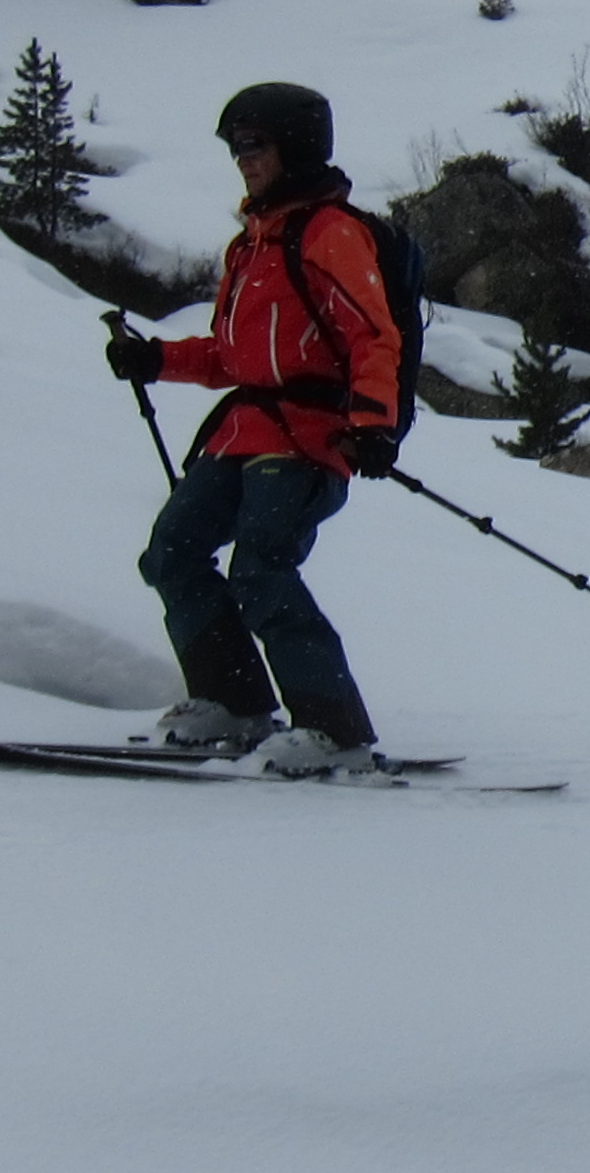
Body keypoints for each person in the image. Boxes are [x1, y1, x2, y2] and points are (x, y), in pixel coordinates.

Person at [104, 83, 402, 777]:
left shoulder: (330, 234)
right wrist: (156, 359)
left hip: (308, 437)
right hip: (243, 432)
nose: (242, 159)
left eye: (253, 144)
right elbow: (230, 356)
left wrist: (372, 423)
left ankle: (335, 731)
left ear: (294, 148)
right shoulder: (250, 246)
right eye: (235, 147)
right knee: (172, 552)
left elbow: (373, 337)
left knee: (262, 566)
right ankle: (234, 705)